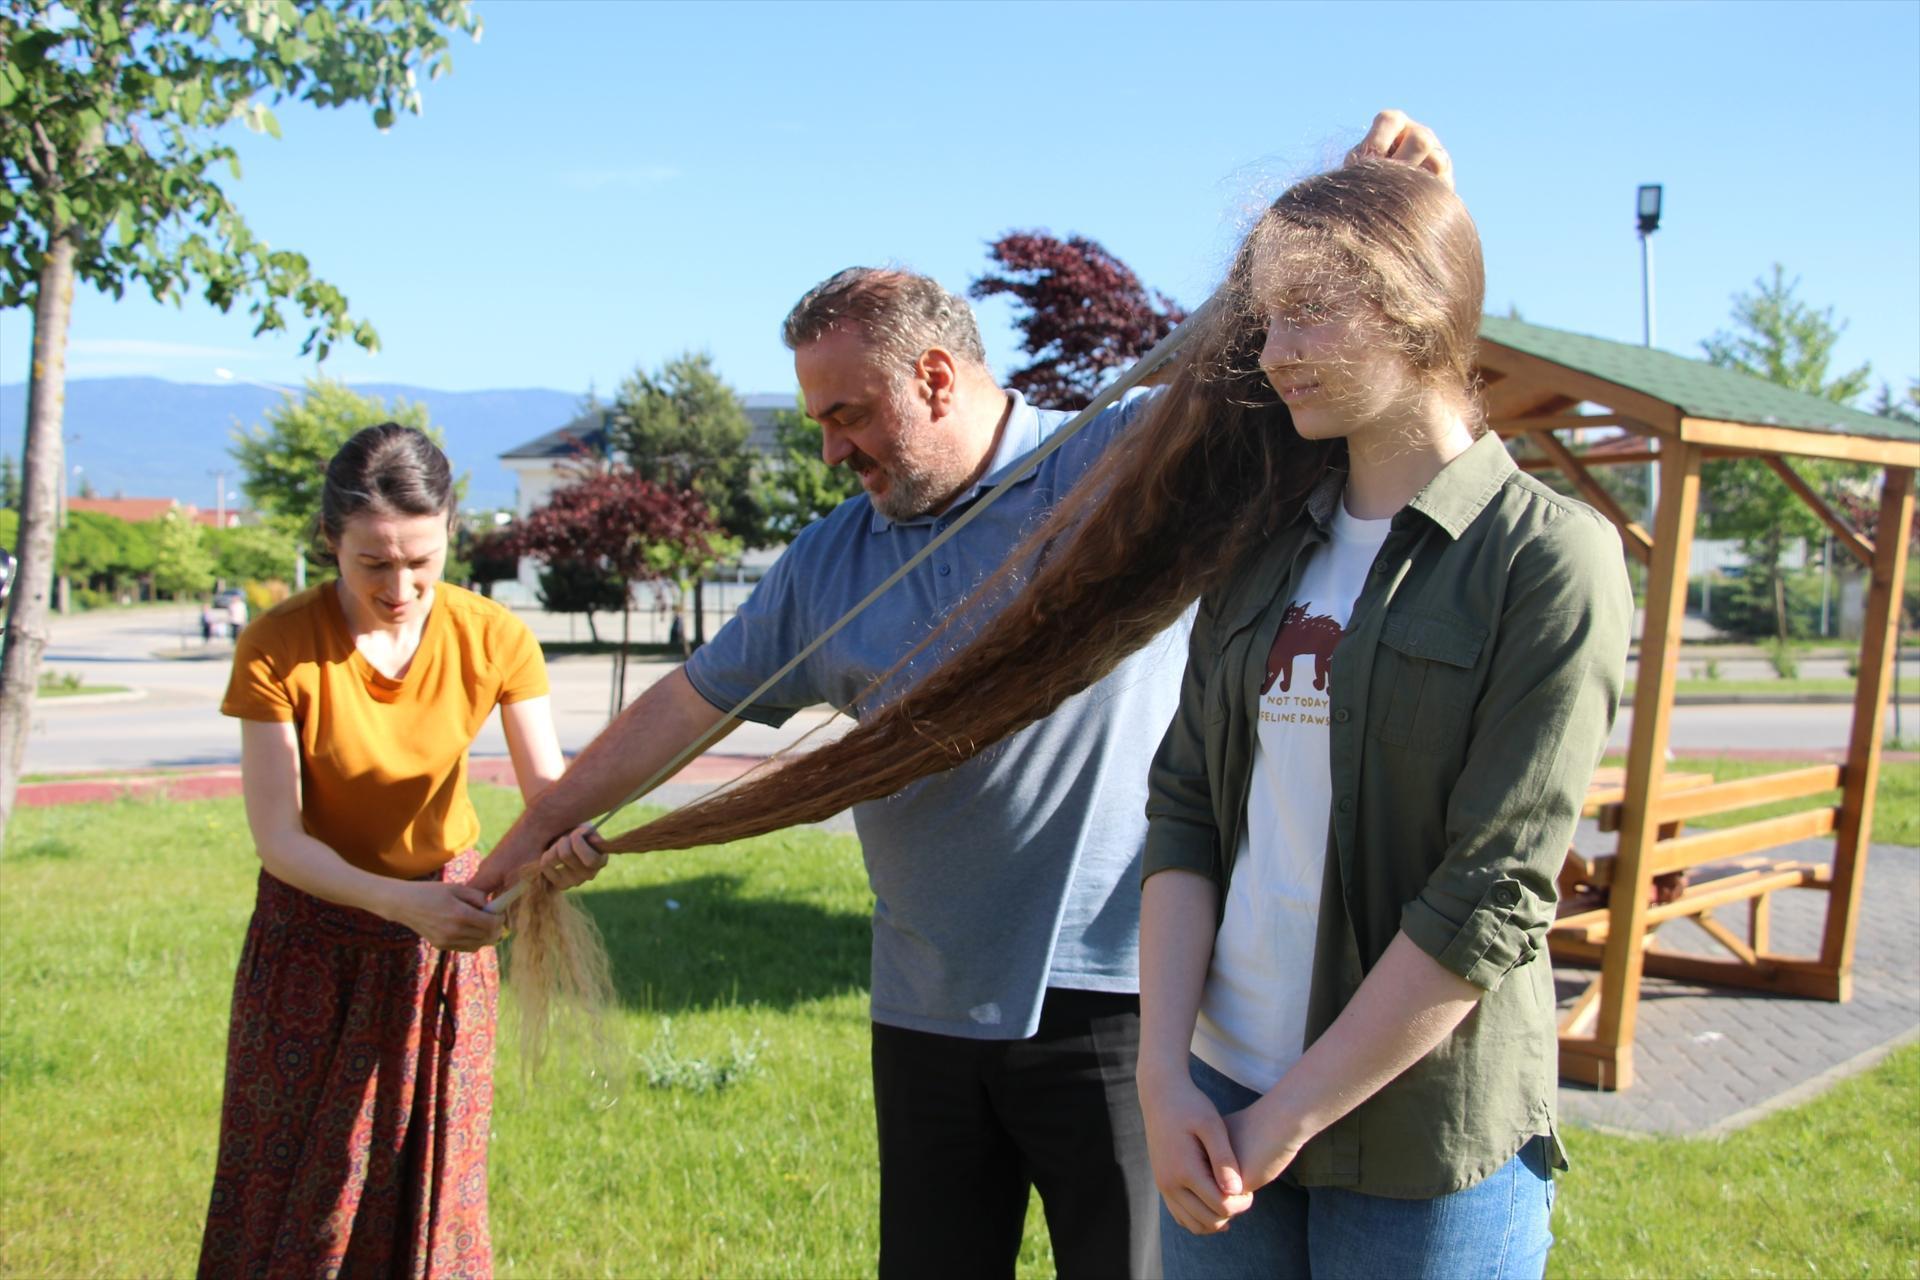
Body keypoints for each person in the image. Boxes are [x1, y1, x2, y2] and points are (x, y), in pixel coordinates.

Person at [591, 160, 1632, 1276]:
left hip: (1418, 1126)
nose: (1273, 352)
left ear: (1417, 310)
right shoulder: (1271, 547)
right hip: (1216, 1096)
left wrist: (1280, 1113)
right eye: (1268, 320)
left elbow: (1491, 893)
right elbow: (1185, 801)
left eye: (1309, 314)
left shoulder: (1544, 557)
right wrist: (1173, 1075)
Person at [197, 423, 592, 1278]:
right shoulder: (277, 645)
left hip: (445, 941)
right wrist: (401, 904)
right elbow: (279, 841)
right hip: (311, 939)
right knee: (294, 1182)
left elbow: (550, 798)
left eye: (421, 558)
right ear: (329, 542)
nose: (401, 584)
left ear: (452, 527)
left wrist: (568, 844)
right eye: (373, 562)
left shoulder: (495, 637)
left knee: (431, 1176)